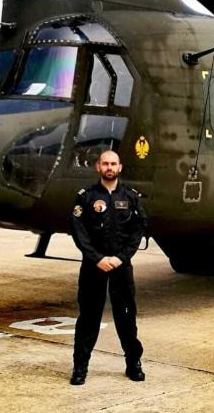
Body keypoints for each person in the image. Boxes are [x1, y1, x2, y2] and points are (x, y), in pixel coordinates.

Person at [69, 150, 147, 385]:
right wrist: (97, 258)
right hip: (94, 268)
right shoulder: (86, 197)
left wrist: (122, 257)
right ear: (98, 167)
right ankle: (80, 368)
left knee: (126, 318)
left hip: (121, 267)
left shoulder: (131, 197)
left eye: (113, 163)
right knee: (88, 319)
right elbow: (78, 231)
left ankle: (133, 363)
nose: (109, 167)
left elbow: (138, 228)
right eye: (105, 163)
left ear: (120, 167)